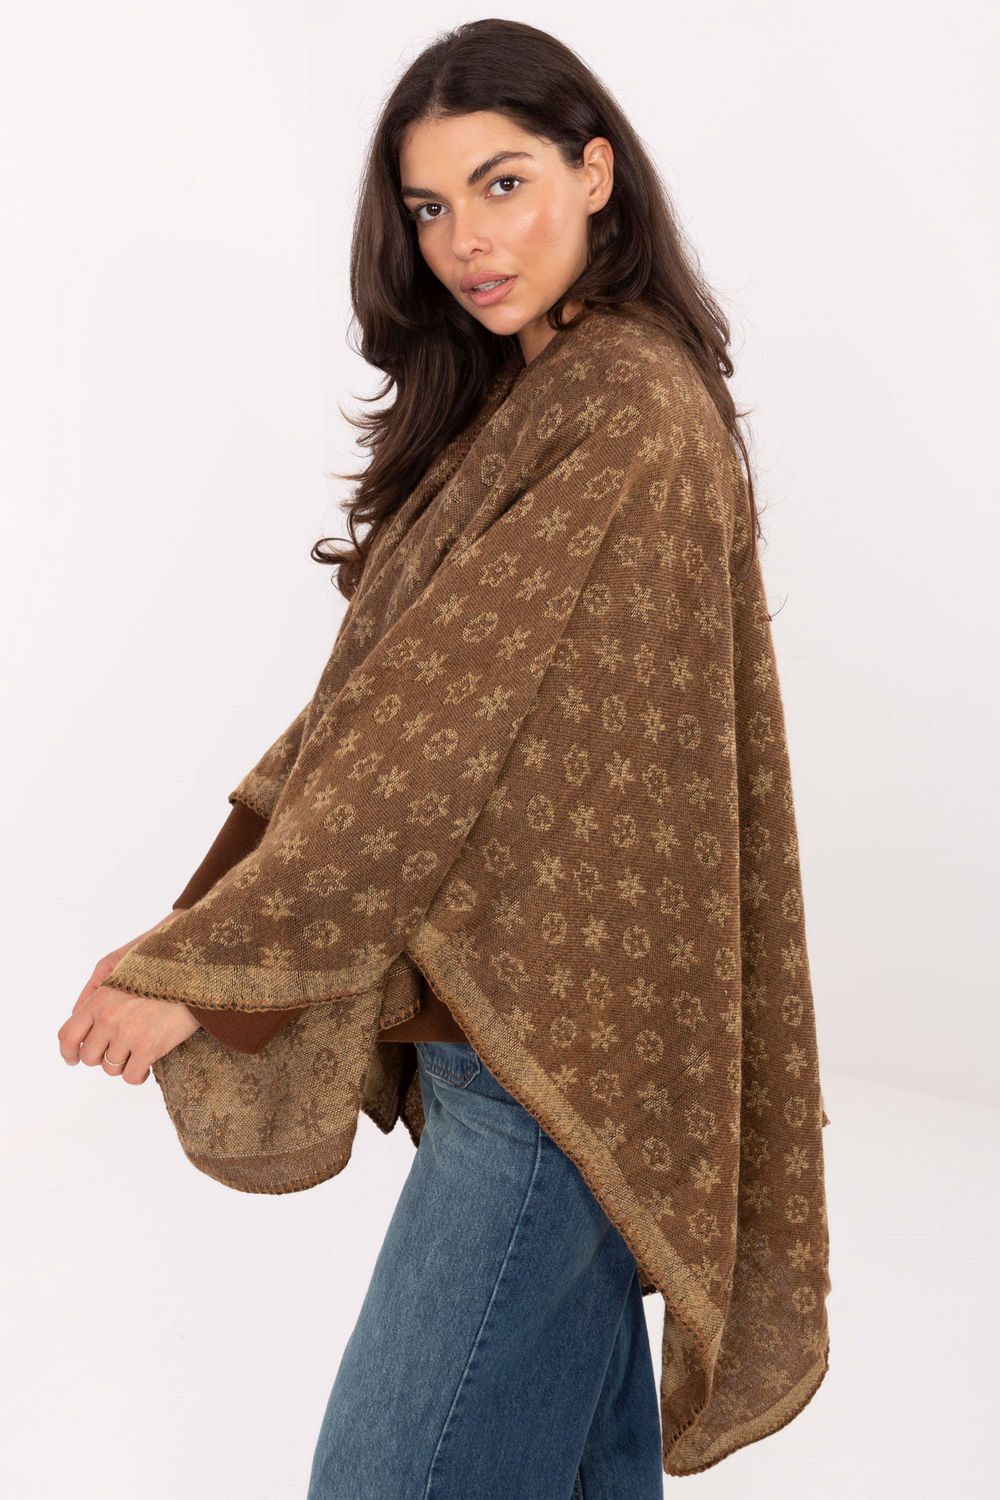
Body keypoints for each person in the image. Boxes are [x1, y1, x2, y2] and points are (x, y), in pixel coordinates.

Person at [58, 19, 830, 1495]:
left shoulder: (626, 412)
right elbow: (378, 713)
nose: (466, 240)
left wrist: (207, 969)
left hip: (552, 1065)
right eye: (430, 206)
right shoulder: (535, 404)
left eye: (502, 184)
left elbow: (431, 738)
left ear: (595, 173)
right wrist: (191, 930)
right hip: (541, 1049)